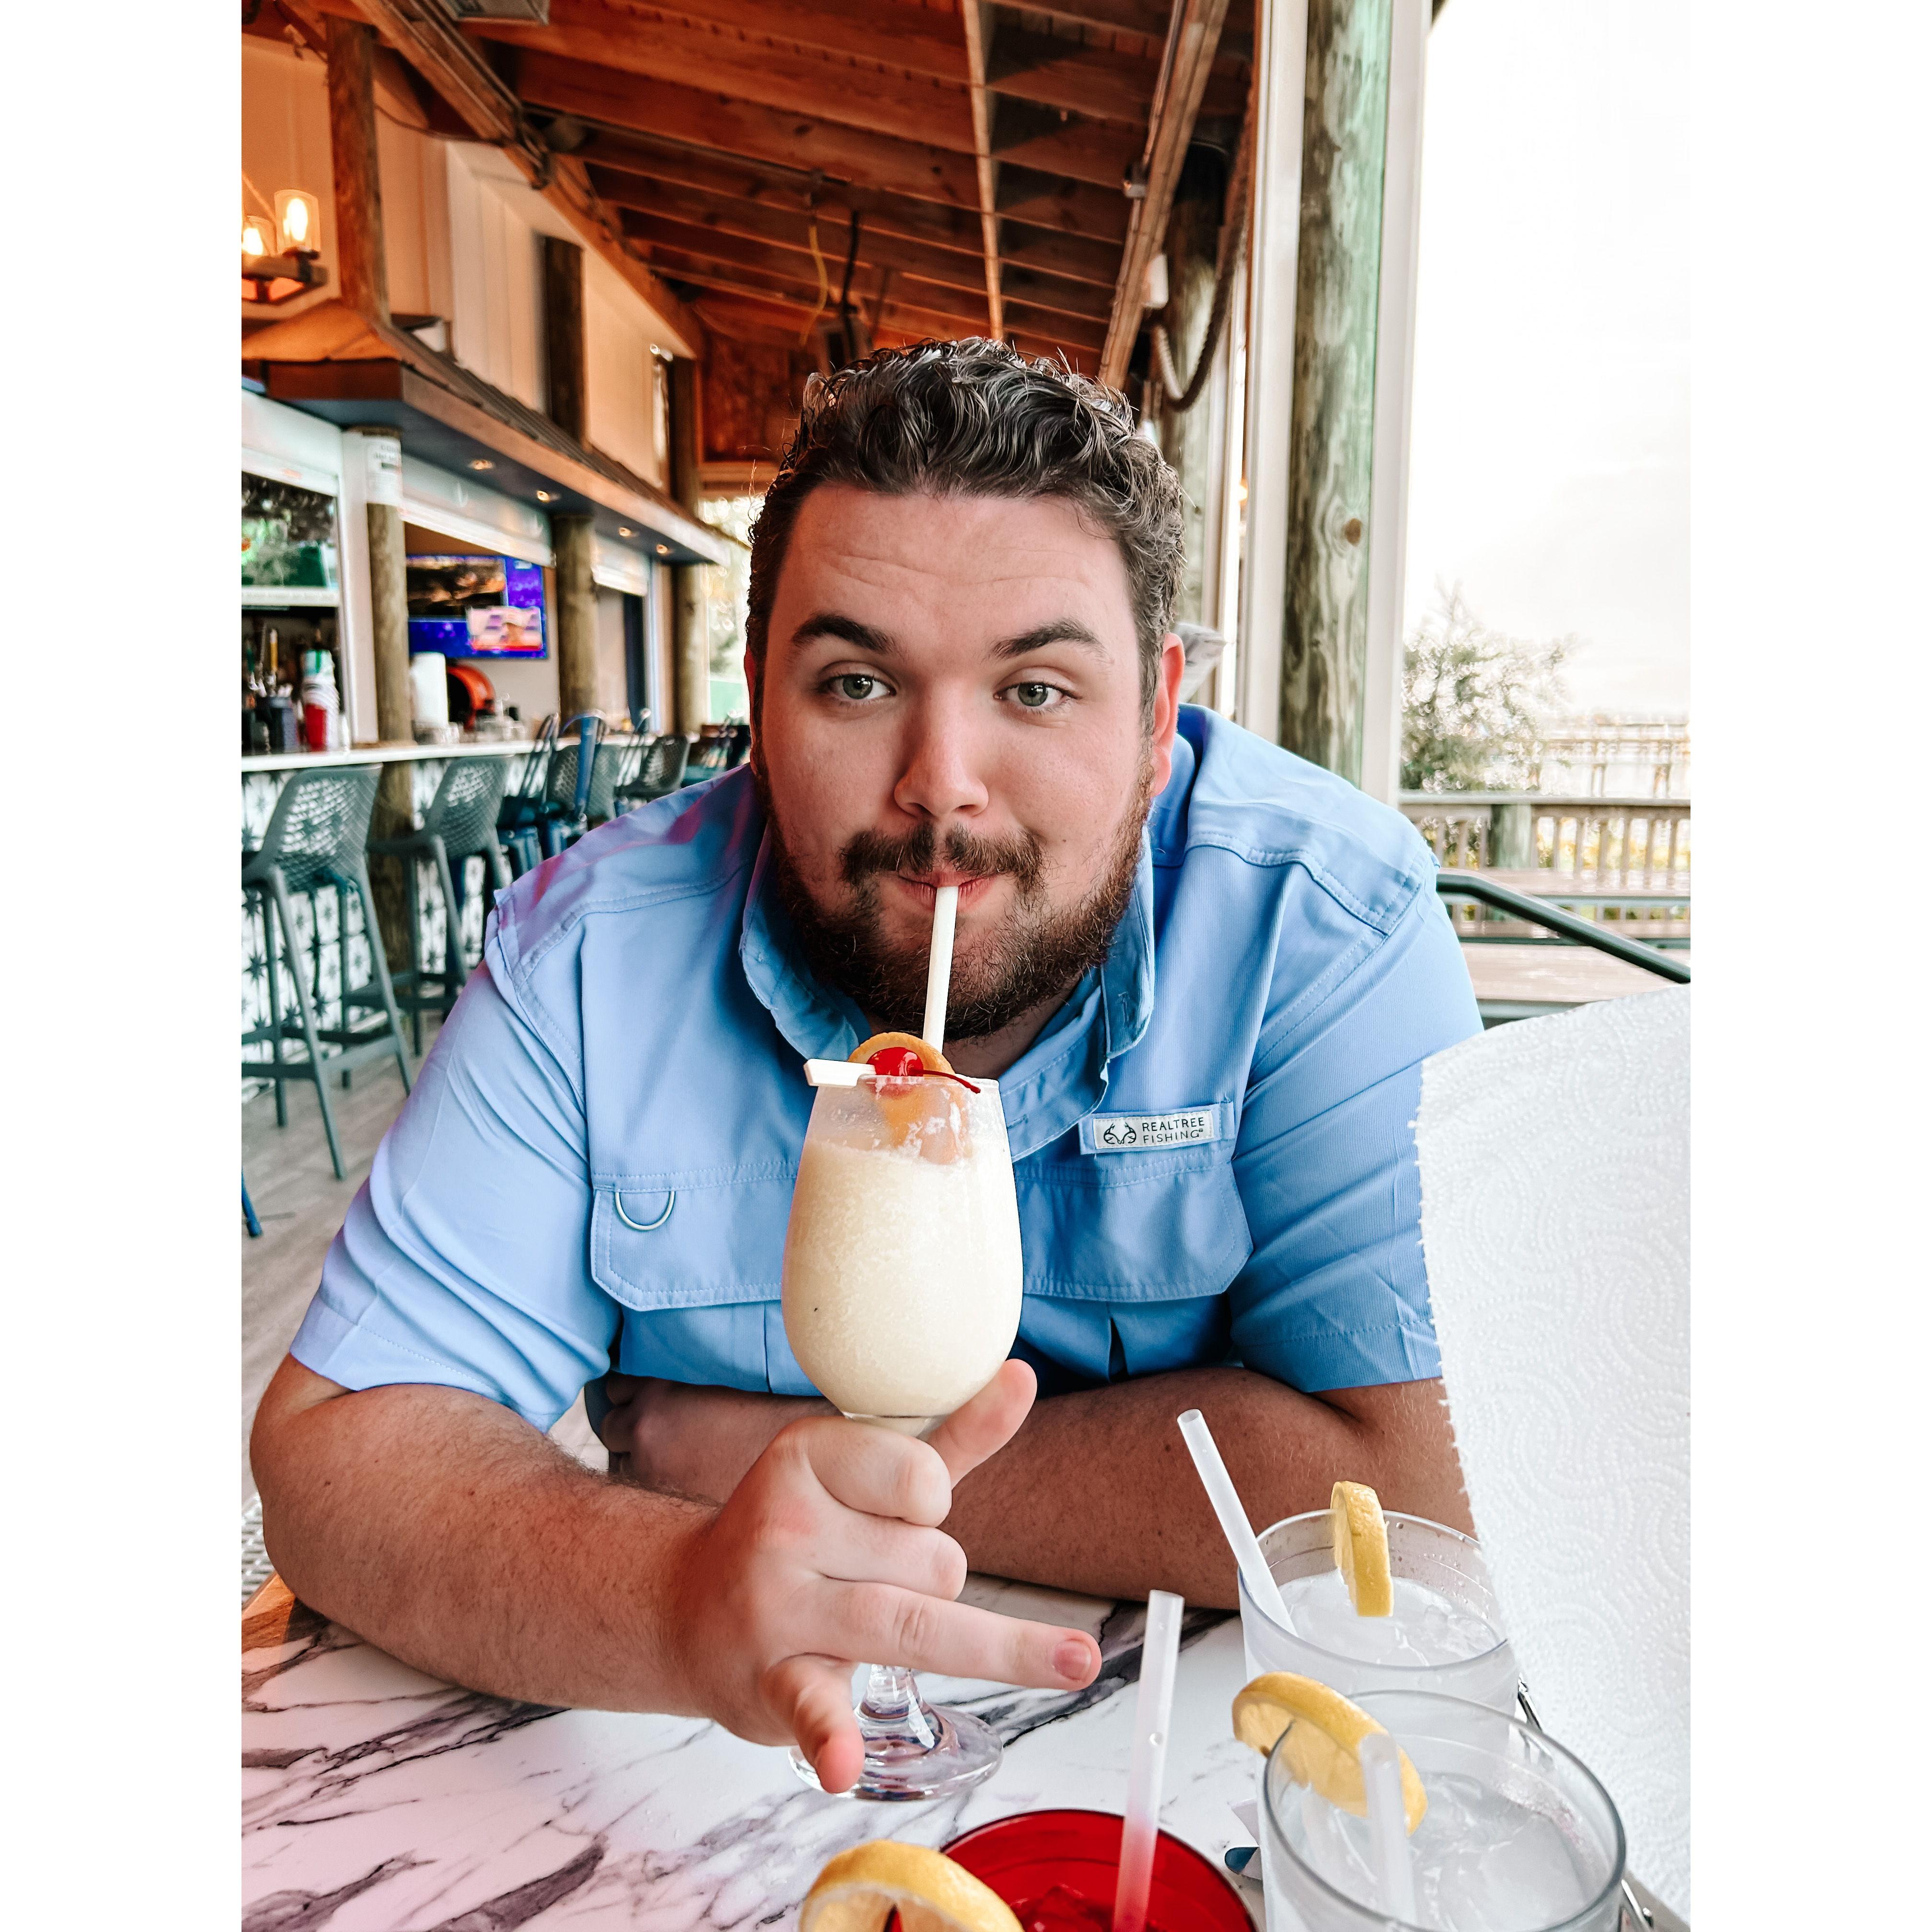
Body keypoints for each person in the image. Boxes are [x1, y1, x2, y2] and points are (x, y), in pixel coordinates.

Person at [252, 339, 1482, 1794]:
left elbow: (1426, 1494)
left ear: (1157, 718)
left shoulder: (1318, 923)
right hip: (692, 1777)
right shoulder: (596, 954)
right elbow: (337, 1458)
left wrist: (763, 1462)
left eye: (1036, 691)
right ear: (757, 704)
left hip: (1216, 1768)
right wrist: (683, 1596)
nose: (940, 782)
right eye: (852, 683)